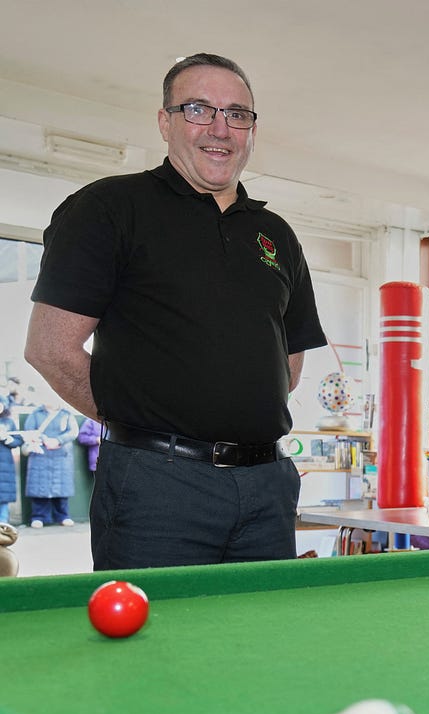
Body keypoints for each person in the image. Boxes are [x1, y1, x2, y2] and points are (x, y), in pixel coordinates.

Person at [24, 52, 325, 569]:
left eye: (237, 114)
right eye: (198, 109)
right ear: (165, 122)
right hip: (156, 485)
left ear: (252, 130)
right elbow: (51, 350)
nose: (220, 128)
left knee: (262, 644)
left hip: (267, 488)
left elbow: (289, 362)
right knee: (153, 645)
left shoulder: (275, 234)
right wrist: (147, 426)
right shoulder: (109, 209)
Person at [22, 399, 78, 527]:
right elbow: (29, 431)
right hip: (40, 453)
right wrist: (44, 439)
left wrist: (58, 440)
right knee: (39, 486)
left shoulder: (67, 414)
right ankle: (38, 517)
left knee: (62, 487)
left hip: (61, 455)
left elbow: (73, 432)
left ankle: (63, 516)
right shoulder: (35, 414)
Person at [0, 397, 18, 526]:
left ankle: (3, 524)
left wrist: (6, 438)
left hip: (5, 463)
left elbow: (18, 440)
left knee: (4, 496)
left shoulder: (9, 422)